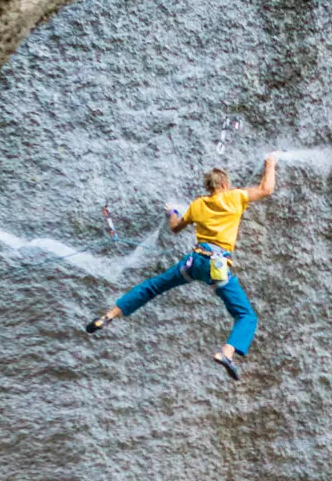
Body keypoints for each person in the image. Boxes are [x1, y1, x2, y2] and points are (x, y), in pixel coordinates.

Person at [85, 155, 278, 379]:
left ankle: (109, 315)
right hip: (216, 266)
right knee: (246, 315)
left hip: (193, 262)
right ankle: (226, 352)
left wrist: (172, 213)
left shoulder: (198, 204)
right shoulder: (234, 197)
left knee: (152, 287)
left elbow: (176, 227)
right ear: (225, 185)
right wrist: (270, 164)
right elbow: (266, 189)